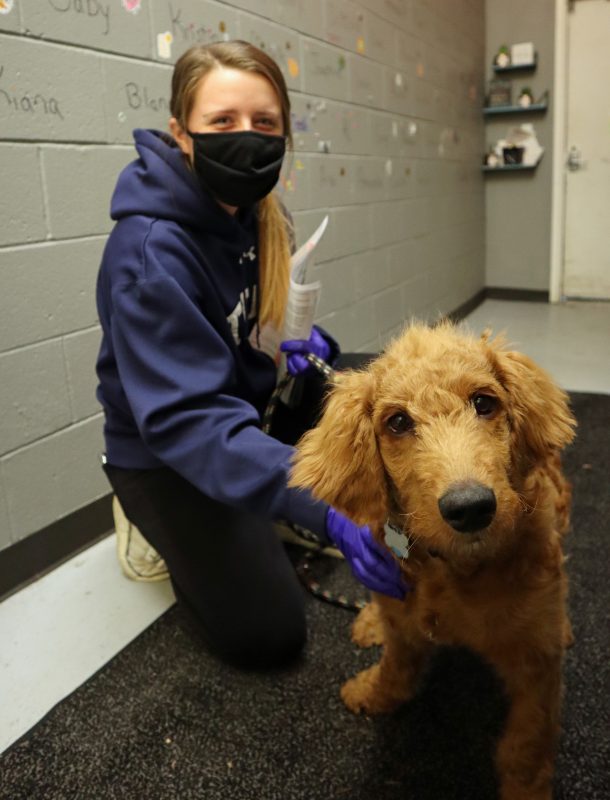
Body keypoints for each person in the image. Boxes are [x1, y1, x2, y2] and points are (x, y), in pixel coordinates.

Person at [95, 41, 406, 670]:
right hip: (170, 453)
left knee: (383, 408)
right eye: (223, 122)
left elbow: (268, 323)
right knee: (268, 634)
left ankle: (280, 499)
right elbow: (194, 424)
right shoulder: (150, 256)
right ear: (182, 134)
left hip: (247, 408)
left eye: (265, 124)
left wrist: (301, 346)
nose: (247, 137)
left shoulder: (265, 214)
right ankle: (148, 524)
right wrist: (328, 506)